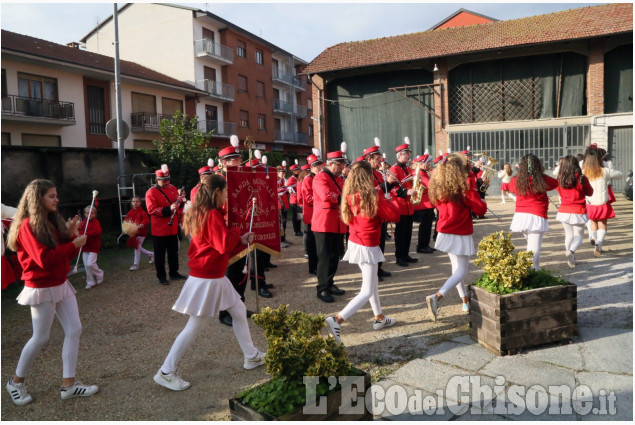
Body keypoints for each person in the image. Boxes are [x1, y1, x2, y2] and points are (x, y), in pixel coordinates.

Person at [154, 175, 265, 392]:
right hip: (207, 277)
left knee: (239, 310)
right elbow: (223, 244)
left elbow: (218, 246)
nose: (226, 197)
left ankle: (251, 356)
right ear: (216, 193)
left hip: (211, 275)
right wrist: (236, 233)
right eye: (224, 193)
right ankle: (166, 371)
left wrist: (240, 238)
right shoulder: (212, 214)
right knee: (195, 325)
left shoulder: (202, 211)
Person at [5, 179, 98, 405]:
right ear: (38, 199)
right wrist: (73, 245)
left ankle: (69, 385)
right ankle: (15, 382)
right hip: (41, 286)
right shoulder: (27, 225)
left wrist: (70, 234)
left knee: (74, 329)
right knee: (40, 337)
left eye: (56, 195)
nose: (57, 199)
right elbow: (44, 258)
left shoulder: (51, 221)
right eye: (51, 196)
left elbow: (56, 248)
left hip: (59, 282)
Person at [325, 161, 401, 343]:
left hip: (356, 241)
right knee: (367, 290)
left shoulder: (350, 194)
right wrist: (386, 197)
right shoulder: (373, 195)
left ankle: (379, 318)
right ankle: (337, 319)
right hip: (367, 243)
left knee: (373, 282)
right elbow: (394, 216)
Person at [425, 154, 487, 320]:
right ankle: (438, 296)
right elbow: (480, 210)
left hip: (445, 230)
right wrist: (478, 193)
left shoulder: (438, 185)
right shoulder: (462, 188)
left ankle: (464, 300)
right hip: (459, 231)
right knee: (462, 270)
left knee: (456, 269)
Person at [509, 154, 559, 270]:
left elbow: (512, 189)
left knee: (531, 245)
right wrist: (540, 175)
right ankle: (531, 271)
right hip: (536, 214)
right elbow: (556, 183)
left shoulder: (515, 179)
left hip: (521, 215)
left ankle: (536, 268)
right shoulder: (542, 179)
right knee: (533, 248)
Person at [313, 144, 348, 303]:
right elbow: (327, 195)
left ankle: (330, 282)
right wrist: (346, 199)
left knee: (335, 256)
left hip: (337, 223)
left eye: (343, 164)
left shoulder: (339, 178)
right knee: (325, 257)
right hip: (324, 224)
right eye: (340, 164)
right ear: (331, 163)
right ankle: (322, 288)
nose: (342, 168)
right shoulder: (320, 177)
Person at [145, 164, 186, 285]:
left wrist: (181, 202)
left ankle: (174, 272)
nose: (166, 182)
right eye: (163, 180)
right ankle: (161, 276)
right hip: (160, 229)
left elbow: (177, 205)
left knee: (173, 252)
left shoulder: (173, 188)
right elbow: (151, 210)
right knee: (160, 255)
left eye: (168, 179)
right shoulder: (151, 192)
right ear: (157, 180)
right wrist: (169, 209)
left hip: (172, 227)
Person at [582, 146, 622, 256]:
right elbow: (619, 175)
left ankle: (593, 237)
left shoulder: (583, 171)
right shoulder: (605, 171)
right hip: (603, 202)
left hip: (589, 203)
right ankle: (598, 243)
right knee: (602, 225)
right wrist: (608, 161)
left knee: (593, 223)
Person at [556, 155, 593, 268]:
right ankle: (571, 252)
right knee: (578, 236)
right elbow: (590, 192)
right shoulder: (581, 178)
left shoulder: (560, 178)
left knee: (569, 235)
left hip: (564, 209)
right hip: (578, 210)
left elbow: (560, 193)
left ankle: (571, 259)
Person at [389, 137, 417, 267]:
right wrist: (406, 192)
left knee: (408, 232)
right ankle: (399, 257)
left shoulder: (407, 168)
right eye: (407, 153)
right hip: (400, 205)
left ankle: (405, 254)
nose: (409, 155)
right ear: (400, 155)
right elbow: (393, 188)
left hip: (408, 206)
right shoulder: (394, 169)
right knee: (400, 233)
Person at [300, 151, 324, 275]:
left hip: (318, 215)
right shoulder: (308, 179)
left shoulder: (318, 177)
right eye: (316, 166)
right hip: (311, 216)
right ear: (311, 167)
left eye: (320, 165)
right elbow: (309, 198)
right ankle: (313, 267)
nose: (320, 167)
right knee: (312, 243)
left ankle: (318, 264)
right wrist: (323, 199)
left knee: (318, 243)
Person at [412, 151, 436, 254]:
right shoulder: (420, 173)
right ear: (421, 164)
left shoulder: (425, 172)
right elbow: (430, 184)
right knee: (425, 227)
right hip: (423, 204)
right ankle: (422, 246)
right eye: (428, 163)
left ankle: (425, 245)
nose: (429, 165)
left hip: (427, 203)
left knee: (428, 226)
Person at [124, 196, 154, 271]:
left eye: (137, 201)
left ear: (140, 203)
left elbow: (146, 220)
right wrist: (126, 228)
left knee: (137, 247)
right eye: (134, 201)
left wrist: (141, 225)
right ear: (131, 203)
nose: (135, 203)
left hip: (141, 233)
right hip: (133, 233)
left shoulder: (143, 212)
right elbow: (126, 221)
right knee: (137, 247)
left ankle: (136, 264)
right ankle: (151, 254)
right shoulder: (130, 212)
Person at [79, 204, 104, 289]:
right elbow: (79, 232)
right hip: (85, 246)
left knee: (90, 263)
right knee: (86, 265)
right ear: (85, 214)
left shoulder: (96, 222)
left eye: (92, 213)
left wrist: (85, 234)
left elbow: (97, 232)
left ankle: (100, 274)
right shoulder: (83, 223)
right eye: (87, 213)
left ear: (95, 214)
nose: (89, 214)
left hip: (94, 246)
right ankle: (90, 281)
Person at [286, 161, 303, 237]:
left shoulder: (299, 178)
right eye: (296, 170)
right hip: (294, 200)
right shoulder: (291, 179)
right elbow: (288, 187)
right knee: (295, 216)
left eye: (298, 170)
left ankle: (299, 230)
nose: (298, 171)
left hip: (299, 200)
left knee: (299, 216)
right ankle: (296, 231)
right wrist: (293, 191)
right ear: (293, 171)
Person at [276, 162, 290, 248]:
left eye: (284, 172)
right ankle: (280, 240)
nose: (284, 174)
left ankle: (283, 238)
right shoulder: (274, 179)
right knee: (280, 223)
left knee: (284, 222)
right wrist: (283, 189)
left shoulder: (281, 180)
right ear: (277, 172)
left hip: (284, 203)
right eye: (282, 172)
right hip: (278, 204)